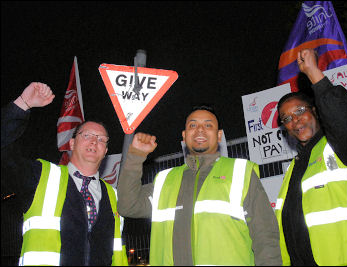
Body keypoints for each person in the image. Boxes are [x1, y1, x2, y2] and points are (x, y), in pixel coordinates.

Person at [117, 104, 282, 265]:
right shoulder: (165, 180)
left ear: (219, 135)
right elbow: (127, 206)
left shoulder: (241, 172)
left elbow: (266, 236)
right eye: (193, 125)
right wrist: (135, 156)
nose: (200, 129)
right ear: (184, 135)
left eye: (208, 125)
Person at [1, 82, 128, 266]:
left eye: (101, 139)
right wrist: (22, 105)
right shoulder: (41, 176)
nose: (94, 141)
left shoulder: (113, 195)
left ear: (106, 150)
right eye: (87, 135)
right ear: (71, 144)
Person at [275, 48, 347, 266]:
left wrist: (313, 73)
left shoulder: (337, 145)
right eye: (286, 118)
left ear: (316, 110)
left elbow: (341, 117)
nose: (295, 121)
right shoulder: (294, 168)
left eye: (300, 111)